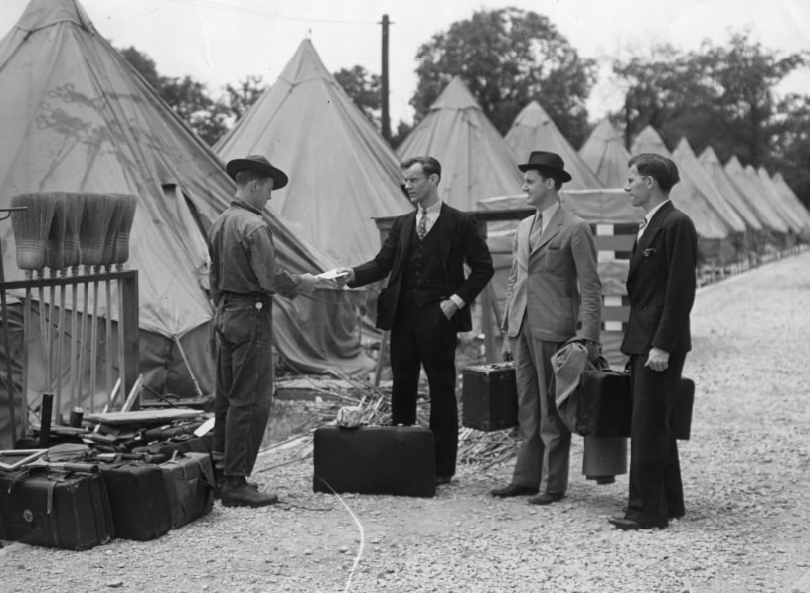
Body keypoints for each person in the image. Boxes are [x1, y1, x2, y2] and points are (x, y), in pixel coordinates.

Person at [333, 156, 493, 485]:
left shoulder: (460, 223)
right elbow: (382, 263)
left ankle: (441, 469)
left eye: (414, 180)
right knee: (402, 389)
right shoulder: (403, 225)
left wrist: (456, 301)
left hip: (439, 318)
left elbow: (483, 268)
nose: (408, 186)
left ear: (433, 180)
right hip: (403, 319)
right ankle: (403, 461)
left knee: (442, 390)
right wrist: (352, 275)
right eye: (405, 181)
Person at [208, 155, 322, 508]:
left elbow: (213, 279)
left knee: (226, 398)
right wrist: (303, 283)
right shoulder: (254, 226)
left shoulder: (221, 222)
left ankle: (221, 471)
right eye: (269, 189)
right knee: (251, 399)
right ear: (254, 185)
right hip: (251, 315)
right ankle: (236, 483)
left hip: (226, 314)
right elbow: (269, 278)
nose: (270, 197)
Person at [491, 151, 602, 505]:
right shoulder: (524, 227)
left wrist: (589, 337)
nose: (524, 186)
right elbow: (514, 279)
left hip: (555, 329)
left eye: (530, 181)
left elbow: (591, 287)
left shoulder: (576, 228)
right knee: (527, 404)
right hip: (522, 327)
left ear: (550, 183)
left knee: (553, 408)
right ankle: (525, 478)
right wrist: (509, 324)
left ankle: (552, 485)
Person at [609, 153, 697, 530]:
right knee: (655, 422)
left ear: (650, 183)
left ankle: (645, 512)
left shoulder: (677, 224)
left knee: (648, 425)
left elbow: (680, 291)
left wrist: (662, 344)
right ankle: (669, 503)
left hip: (659, 342)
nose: (626, 185)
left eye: (632, 179)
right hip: (643, 338)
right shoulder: (648, 224)